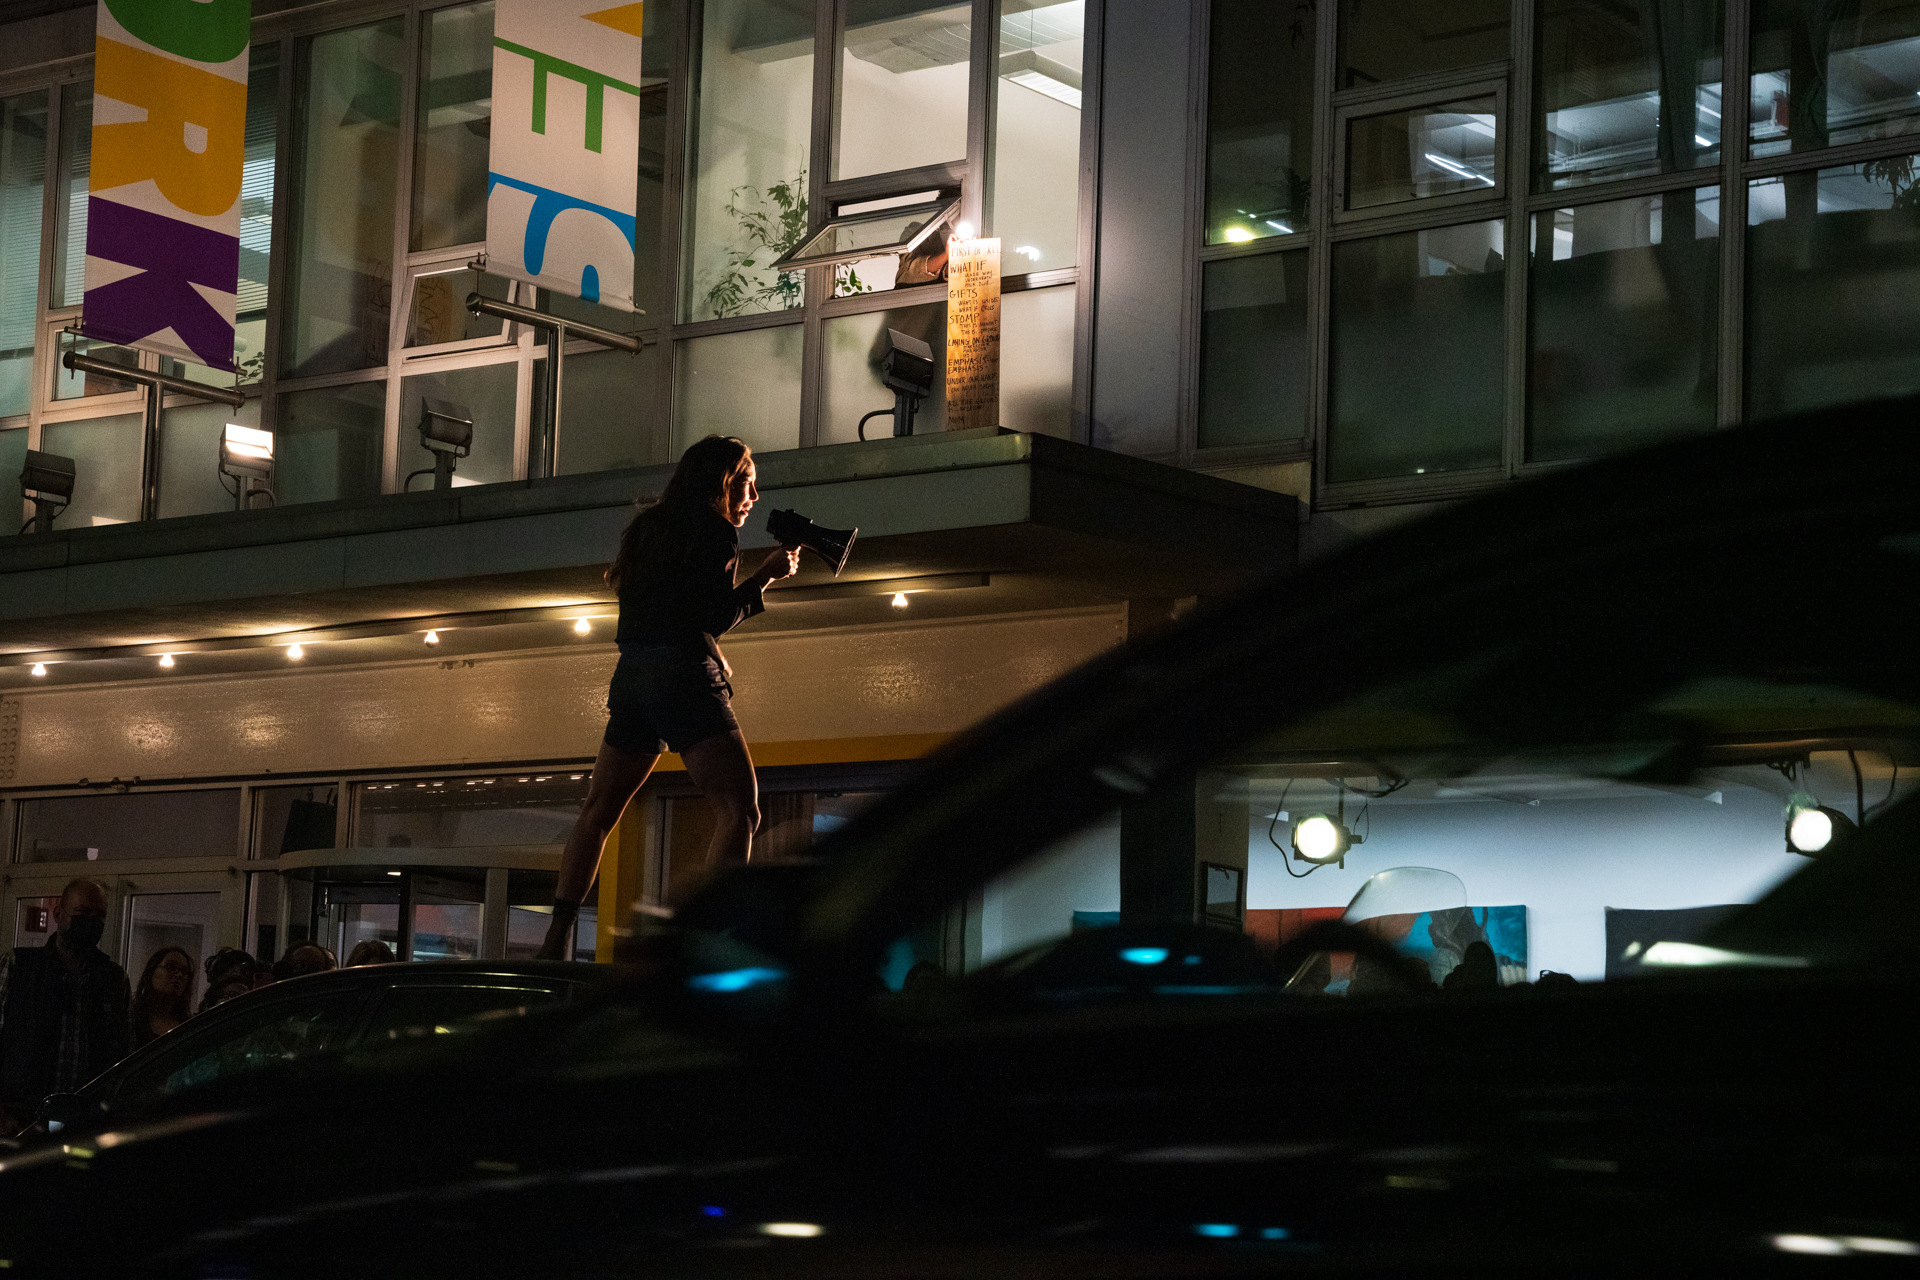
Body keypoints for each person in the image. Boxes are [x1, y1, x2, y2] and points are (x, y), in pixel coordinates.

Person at [537, 435, 800, 959]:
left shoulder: (648, 528)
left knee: (599, 811)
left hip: (633, 674)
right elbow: (711, 616)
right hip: (682, 678)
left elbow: (664, 611)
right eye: (747, 484)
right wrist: (764, 578)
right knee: (740, 810)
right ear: (723, 481)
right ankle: (707, 938)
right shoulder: (717, 532)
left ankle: (556, 938)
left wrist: (706, 646)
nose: (753, 497)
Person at [0, 879, 132, 1130]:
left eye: (99, 916)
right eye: (82, 913)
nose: (92, 922)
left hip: (86, 1122)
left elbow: (124, 1054)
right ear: (59, 914)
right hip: (19, 1117)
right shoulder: (19, 965)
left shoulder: (114, 979)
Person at [130, 946, 197, 1050]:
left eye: (184, 972)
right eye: (171, 967)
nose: (179, 975)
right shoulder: (130, 1017)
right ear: (152, 971)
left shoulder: (188, 1026)